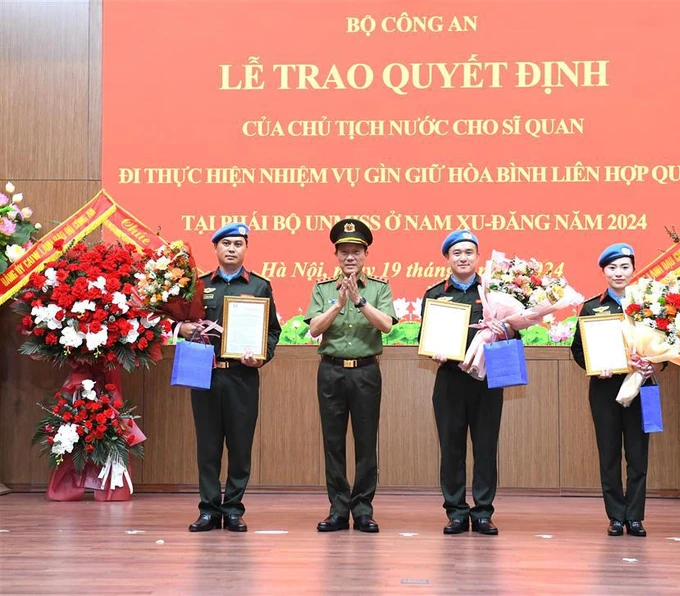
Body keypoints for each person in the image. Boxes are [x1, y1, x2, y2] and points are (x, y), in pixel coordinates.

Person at [179, 222, 281, 532]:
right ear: (216, 249)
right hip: (205, 375)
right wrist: (180, 330)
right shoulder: (197, 285)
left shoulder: (259, 286)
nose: (232, 249)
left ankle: (234, 508)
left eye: (238, 244)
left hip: (242, 377)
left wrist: (260, 356)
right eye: (226, 244)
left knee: (240, 446)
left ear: (246, 248)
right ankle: (209, 509)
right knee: (208, 447)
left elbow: (273, 331)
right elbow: (181, 323)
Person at [304, 218, 397, 533]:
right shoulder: (323, 288)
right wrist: (338, 304)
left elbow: (386, 325)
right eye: (344, 251)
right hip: (330, 372)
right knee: (333, 443)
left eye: (356, 251)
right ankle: (338, 509)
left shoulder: (380, 288)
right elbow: (315, 329)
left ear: (366, 254)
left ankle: (363, 510)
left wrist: (358, 300)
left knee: (366, 443)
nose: (350, 257)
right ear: (336, 255)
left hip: (366, 373)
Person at [420, 230, 510, 535]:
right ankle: (456, 512)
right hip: (450, 380)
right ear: (447, 258)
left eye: (469, 252)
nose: (463, 257)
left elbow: (516, 333)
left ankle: (483, 512)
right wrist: (434, 351)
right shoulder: (435, 294)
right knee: (452, 448)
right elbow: (425, 337)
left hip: (487, 381)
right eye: (457, 252)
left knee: (486, 448)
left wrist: (505, 330)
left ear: (478, 257)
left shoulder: (496, 292)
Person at [570, 243, 657, 537]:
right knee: (608, 453)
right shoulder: (592, 306)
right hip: (605, 388)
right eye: (612, 267)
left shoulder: (650, 306)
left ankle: (635, 516)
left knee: (637, 453)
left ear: (633, 269)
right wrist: (596, 366)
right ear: (603, 271)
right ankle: (616, 516)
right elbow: (579, 350)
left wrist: (653, 365)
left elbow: (665, 347)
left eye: (624, 267)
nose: (618, 273)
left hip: (641, 387)